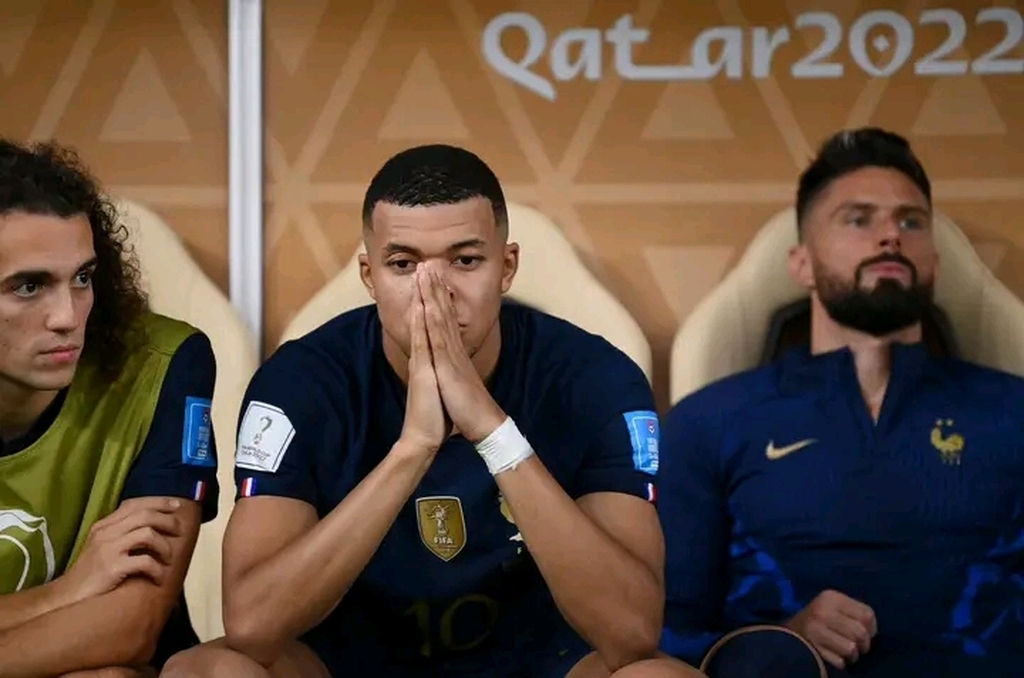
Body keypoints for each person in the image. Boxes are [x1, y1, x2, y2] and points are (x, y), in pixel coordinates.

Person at [161, 144, 702, 678]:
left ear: (507, 267)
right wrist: (412, 449)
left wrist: (493, 432)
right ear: (369, 276)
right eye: (403, 265)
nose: (435, 292)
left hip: (542, 664)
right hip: (346, 665)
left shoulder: (596, 378)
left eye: (465, 261)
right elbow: (252, 625)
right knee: (205, 672)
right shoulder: (300, 381)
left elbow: (632, 633)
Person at [657, 127, 1024, 678]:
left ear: (934, 263)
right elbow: (668, 635)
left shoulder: (1013, 414)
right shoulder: (708, 423)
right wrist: (782, 641)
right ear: (802, 264)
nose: (891, 236)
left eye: (911, 222)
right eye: (858, 219)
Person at [0, 139, 220, 677]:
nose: (67, 317)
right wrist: (67, 591)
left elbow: (131, 627)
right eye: (28, 286)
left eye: (83, 278)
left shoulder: (163, 366)